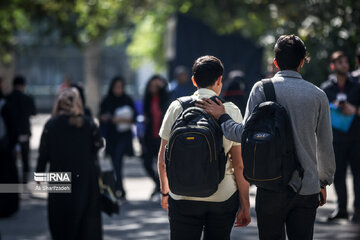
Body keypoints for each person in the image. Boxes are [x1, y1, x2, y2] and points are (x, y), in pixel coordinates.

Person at [197, 35, 336, 239]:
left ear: (276, 62)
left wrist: (222, 117)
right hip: (306, 186)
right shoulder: (317, 95)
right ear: (302, 62)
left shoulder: (262, 88)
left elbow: (243, 134)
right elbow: (325, 145)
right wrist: (323, 182)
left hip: (270, 185)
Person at [158, 55, 251, 240]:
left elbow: (162, 158)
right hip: (222, 196)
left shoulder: (176, 107)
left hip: (182, 195)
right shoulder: (230, 110)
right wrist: (245, 204)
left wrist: (165, 192)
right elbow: (239, 164)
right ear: (220, 80)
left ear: (193, 80)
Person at [36, 88, 103, 240]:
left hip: (59, 176)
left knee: (60, 218)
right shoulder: (88, 125)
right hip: (85, 178)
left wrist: (38, 176)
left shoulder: (51, 125)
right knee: (85, 219)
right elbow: (98, 146)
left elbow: (43, 153)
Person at [321, 51, 360, 223]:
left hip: (356, 137)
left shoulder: (357, 85)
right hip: (336, 138)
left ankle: (358, 210)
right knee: (339, 174)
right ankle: (342, 208)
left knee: (358, 175)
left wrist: (355, 110)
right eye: (340, 62)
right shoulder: (326, 88)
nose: (344, 65)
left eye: (346, 61)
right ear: (333, 66)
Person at [99, 76, 136, 200]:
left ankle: (119, 188)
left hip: (124, 137)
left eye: (121, 87)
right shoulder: (107, 100)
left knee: (118, 161)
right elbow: (101, 116)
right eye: (116, 87)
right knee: (115, 163)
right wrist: (107, 118)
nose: (118, 90)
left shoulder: (127, 99)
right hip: (111, 136)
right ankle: (119, 188)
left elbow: (134, 117)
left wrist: (122, 119)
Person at [4, 75, 36, 184]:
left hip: (9, 135)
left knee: (10, 160)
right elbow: (34, 112)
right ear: (23, 85)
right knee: (25, 160)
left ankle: (11, 184)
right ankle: (24, 183)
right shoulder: (27, 98)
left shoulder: (6, 98)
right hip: (24, 133)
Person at [142, 74, 170, 198]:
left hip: (162, 136)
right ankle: (158, 184)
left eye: (156, 86)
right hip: (150, 136)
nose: (153, 88)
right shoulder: (147, 99)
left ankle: (162, 188)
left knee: (163, 163)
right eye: (151, 86)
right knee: (147, 162)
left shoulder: (165, 98)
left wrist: (163, 87)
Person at [0, 77, 20, 218]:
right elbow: (13, 128)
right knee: (6, 178)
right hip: (3, 150)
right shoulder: (4, 104)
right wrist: (14, 146)